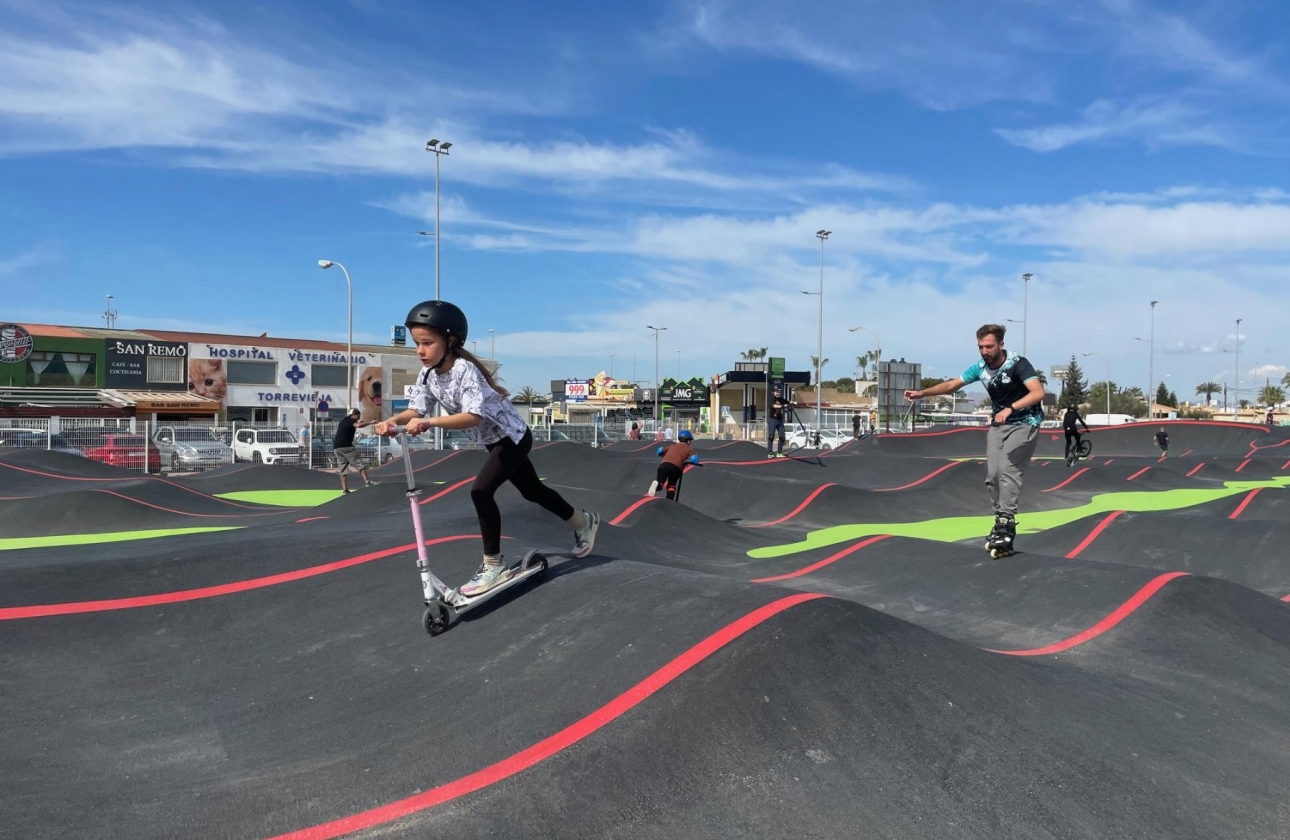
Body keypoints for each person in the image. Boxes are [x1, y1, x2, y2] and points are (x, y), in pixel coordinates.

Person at [376, 300, 599, 598]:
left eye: (427, 343)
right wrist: (391, 419)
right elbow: (416, 409)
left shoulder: (465, 370)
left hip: (513, 436)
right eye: (417, 343)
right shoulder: (428, 375)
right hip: (495, 441)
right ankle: (583, 522)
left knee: (480, 491)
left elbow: (473, 416)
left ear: (451, 340)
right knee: (532, 491)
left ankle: (493, 564)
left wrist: (430, 422)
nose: (420, 350)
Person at [903, 324, 1045, 557]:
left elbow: (1037, 392)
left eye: (989, 346)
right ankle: (1001, 521)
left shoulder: (1018, 364)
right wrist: (922, 393)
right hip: (999, 425)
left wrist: (1011, 408)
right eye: (980, 347)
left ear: (1001, 345)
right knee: (993, 475)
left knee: (1008, 470)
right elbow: (951, 385)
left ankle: (1006, 520)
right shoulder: (979, 368)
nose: (984, 351)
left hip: (1025, 422)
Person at [333, 408, 376, 493]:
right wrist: (370, 423)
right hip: (347, 447)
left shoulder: (344, 421)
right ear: (354, 415)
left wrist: (360, 422)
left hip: (337, 448)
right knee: (359, 464)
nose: (358, 419)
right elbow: (358, 425)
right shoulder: (351, 420)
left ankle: (345, 490)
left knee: (343, 469)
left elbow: (354, 424)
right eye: (358, 417)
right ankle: (367, 482)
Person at [647, 429, 698, 499]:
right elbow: (694, 459)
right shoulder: (689, 449)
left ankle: (657, 483)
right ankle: (669, 500)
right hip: (675, 468)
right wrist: (694, 462)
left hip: (663, 465)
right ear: (688, 441)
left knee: (661, 483)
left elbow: (659, 450)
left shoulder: (672, 446)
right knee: (671, 485)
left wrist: (662, 454)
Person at [767, 392, 792, 458]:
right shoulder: (772, 399)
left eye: (778, 392)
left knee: (782, 436)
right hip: (772, 419)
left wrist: (794, 402)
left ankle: (779, 452)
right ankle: (770, 452)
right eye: (776, 392)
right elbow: (773, 405)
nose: (778, 393)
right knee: (771, 436)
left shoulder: (781, 399)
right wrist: (781, 406)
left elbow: (788, 402)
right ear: (774, 393)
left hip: (779, 420)